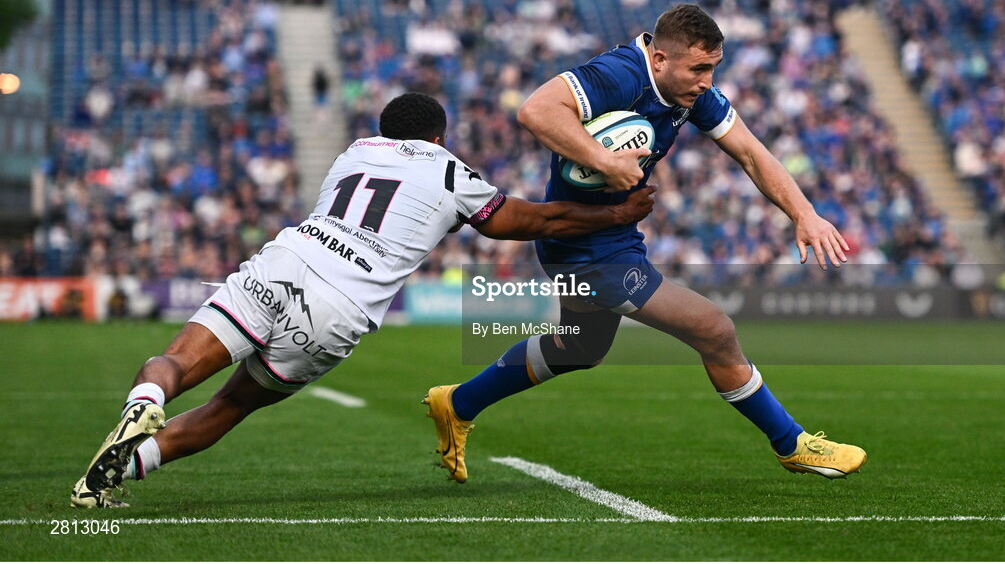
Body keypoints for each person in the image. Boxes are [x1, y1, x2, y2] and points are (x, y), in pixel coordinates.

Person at [70, 92, 655, 508]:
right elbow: (524, 220)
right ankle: (123, 471)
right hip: (341, 308)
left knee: (176, 361)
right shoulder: (450, 171)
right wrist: (612, 213)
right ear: (438, 137)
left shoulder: (353, 152)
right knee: (230, 406)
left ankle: (141, 406)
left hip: (287, 261)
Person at [424, 4, 865, 483]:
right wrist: (605, 161)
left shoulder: (695, 94)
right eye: (698, 68)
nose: (706, 80)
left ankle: (459, 402)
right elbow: (535, 111)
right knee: (714, 329)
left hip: (610, 233)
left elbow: (752, 154)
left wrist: (805, 214)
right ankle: (792, 443)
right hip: (586, 245)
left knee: (580, 349)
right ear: (659, 60)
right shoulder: (620, 74)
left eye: (713, 68)